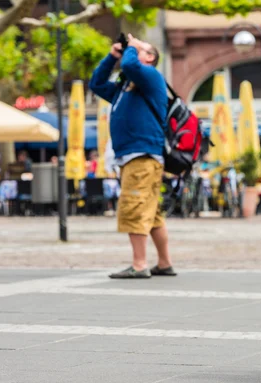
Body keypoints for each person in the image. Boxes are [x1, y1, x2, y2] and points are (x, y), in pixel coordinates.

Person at [89, 33, 175, 279]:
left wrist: (132, 47)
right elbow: (96, 83)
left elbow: (129, 65)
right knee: (152, 211)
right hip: (134, 156)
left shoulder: (150, 76)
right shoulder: (126, 87)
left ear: (149, 57)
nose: (133, 50)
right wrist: (112, 55)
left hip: (142, 155)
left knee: (134, 207)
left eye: (141, 49)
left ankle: (139, 264)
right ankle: (164, 262)